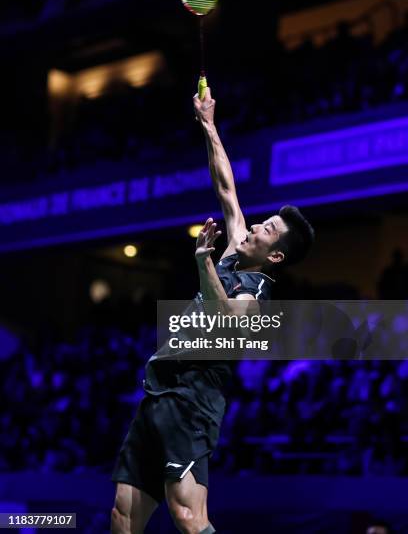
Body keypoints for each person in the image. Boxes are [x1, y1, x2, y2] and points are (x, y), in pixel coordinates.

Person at [110, 88, 315, 533]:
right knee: (123, 516)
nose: (256, 224)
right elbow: (226, 184)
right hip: (158, 392)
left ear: (275, 256)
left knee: (187, 516)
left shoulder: (255, 296)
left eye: (268, 229)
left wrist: (204, 260)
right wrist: (208, 124)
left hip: (193, 402)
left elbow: (225, 320)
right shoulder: (237, 249)